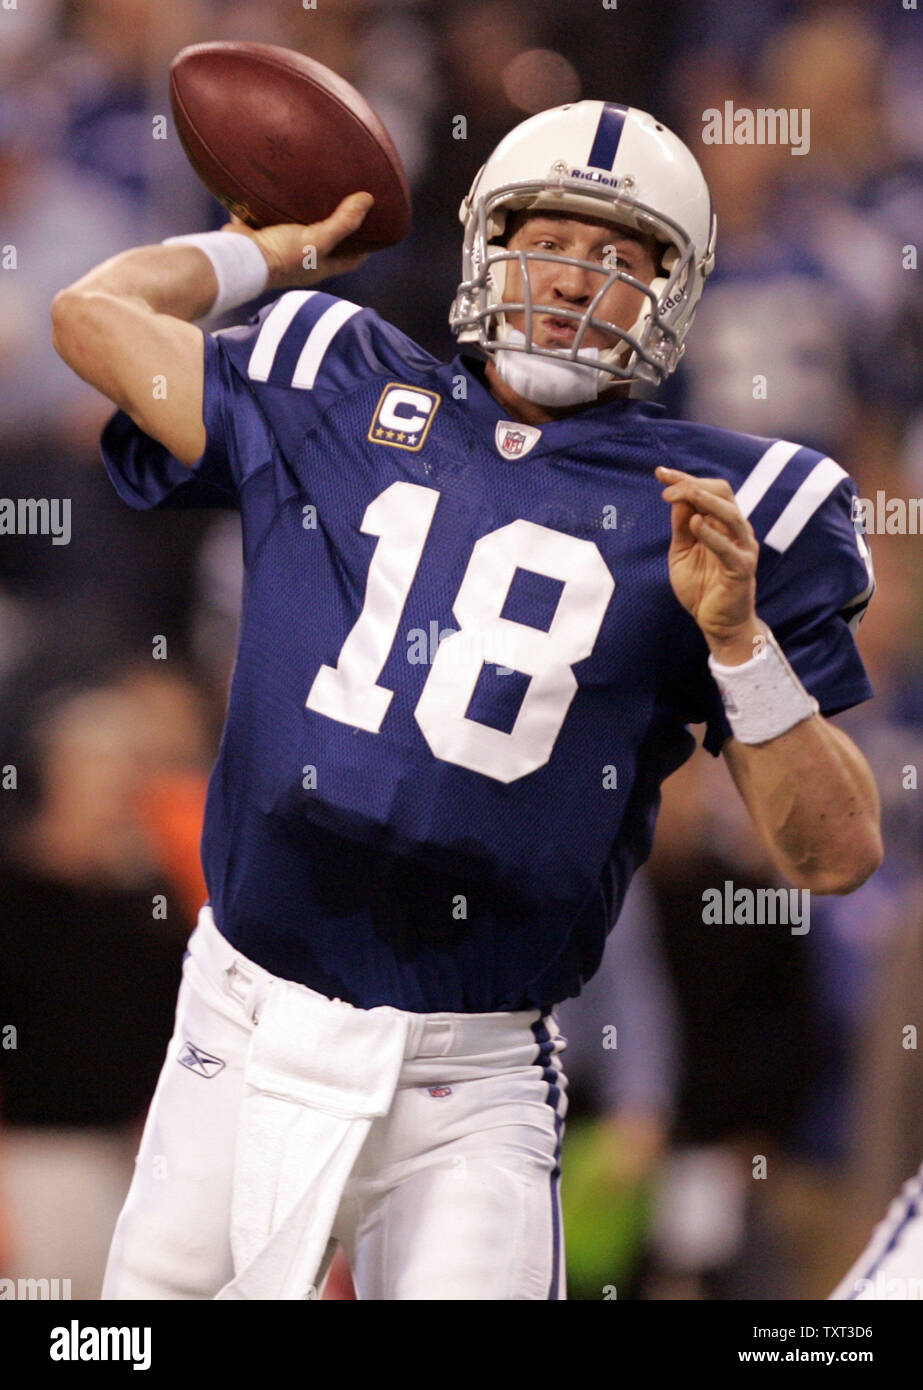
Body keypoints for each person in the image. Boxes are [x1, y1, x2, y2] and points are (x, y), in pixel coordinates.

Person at [51, 100, 883, 1301]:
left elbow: (835, 852)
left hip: (472, 1074)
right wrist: (272, 248)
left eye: (620, 259)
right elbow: (95, 315)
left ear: (673, 294)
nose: (576, 280)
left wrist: (740, 643)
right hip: (244, 1021)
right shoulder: (332, 377)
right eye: (550, 238)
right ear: (487, 244)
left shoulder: (729, 507)